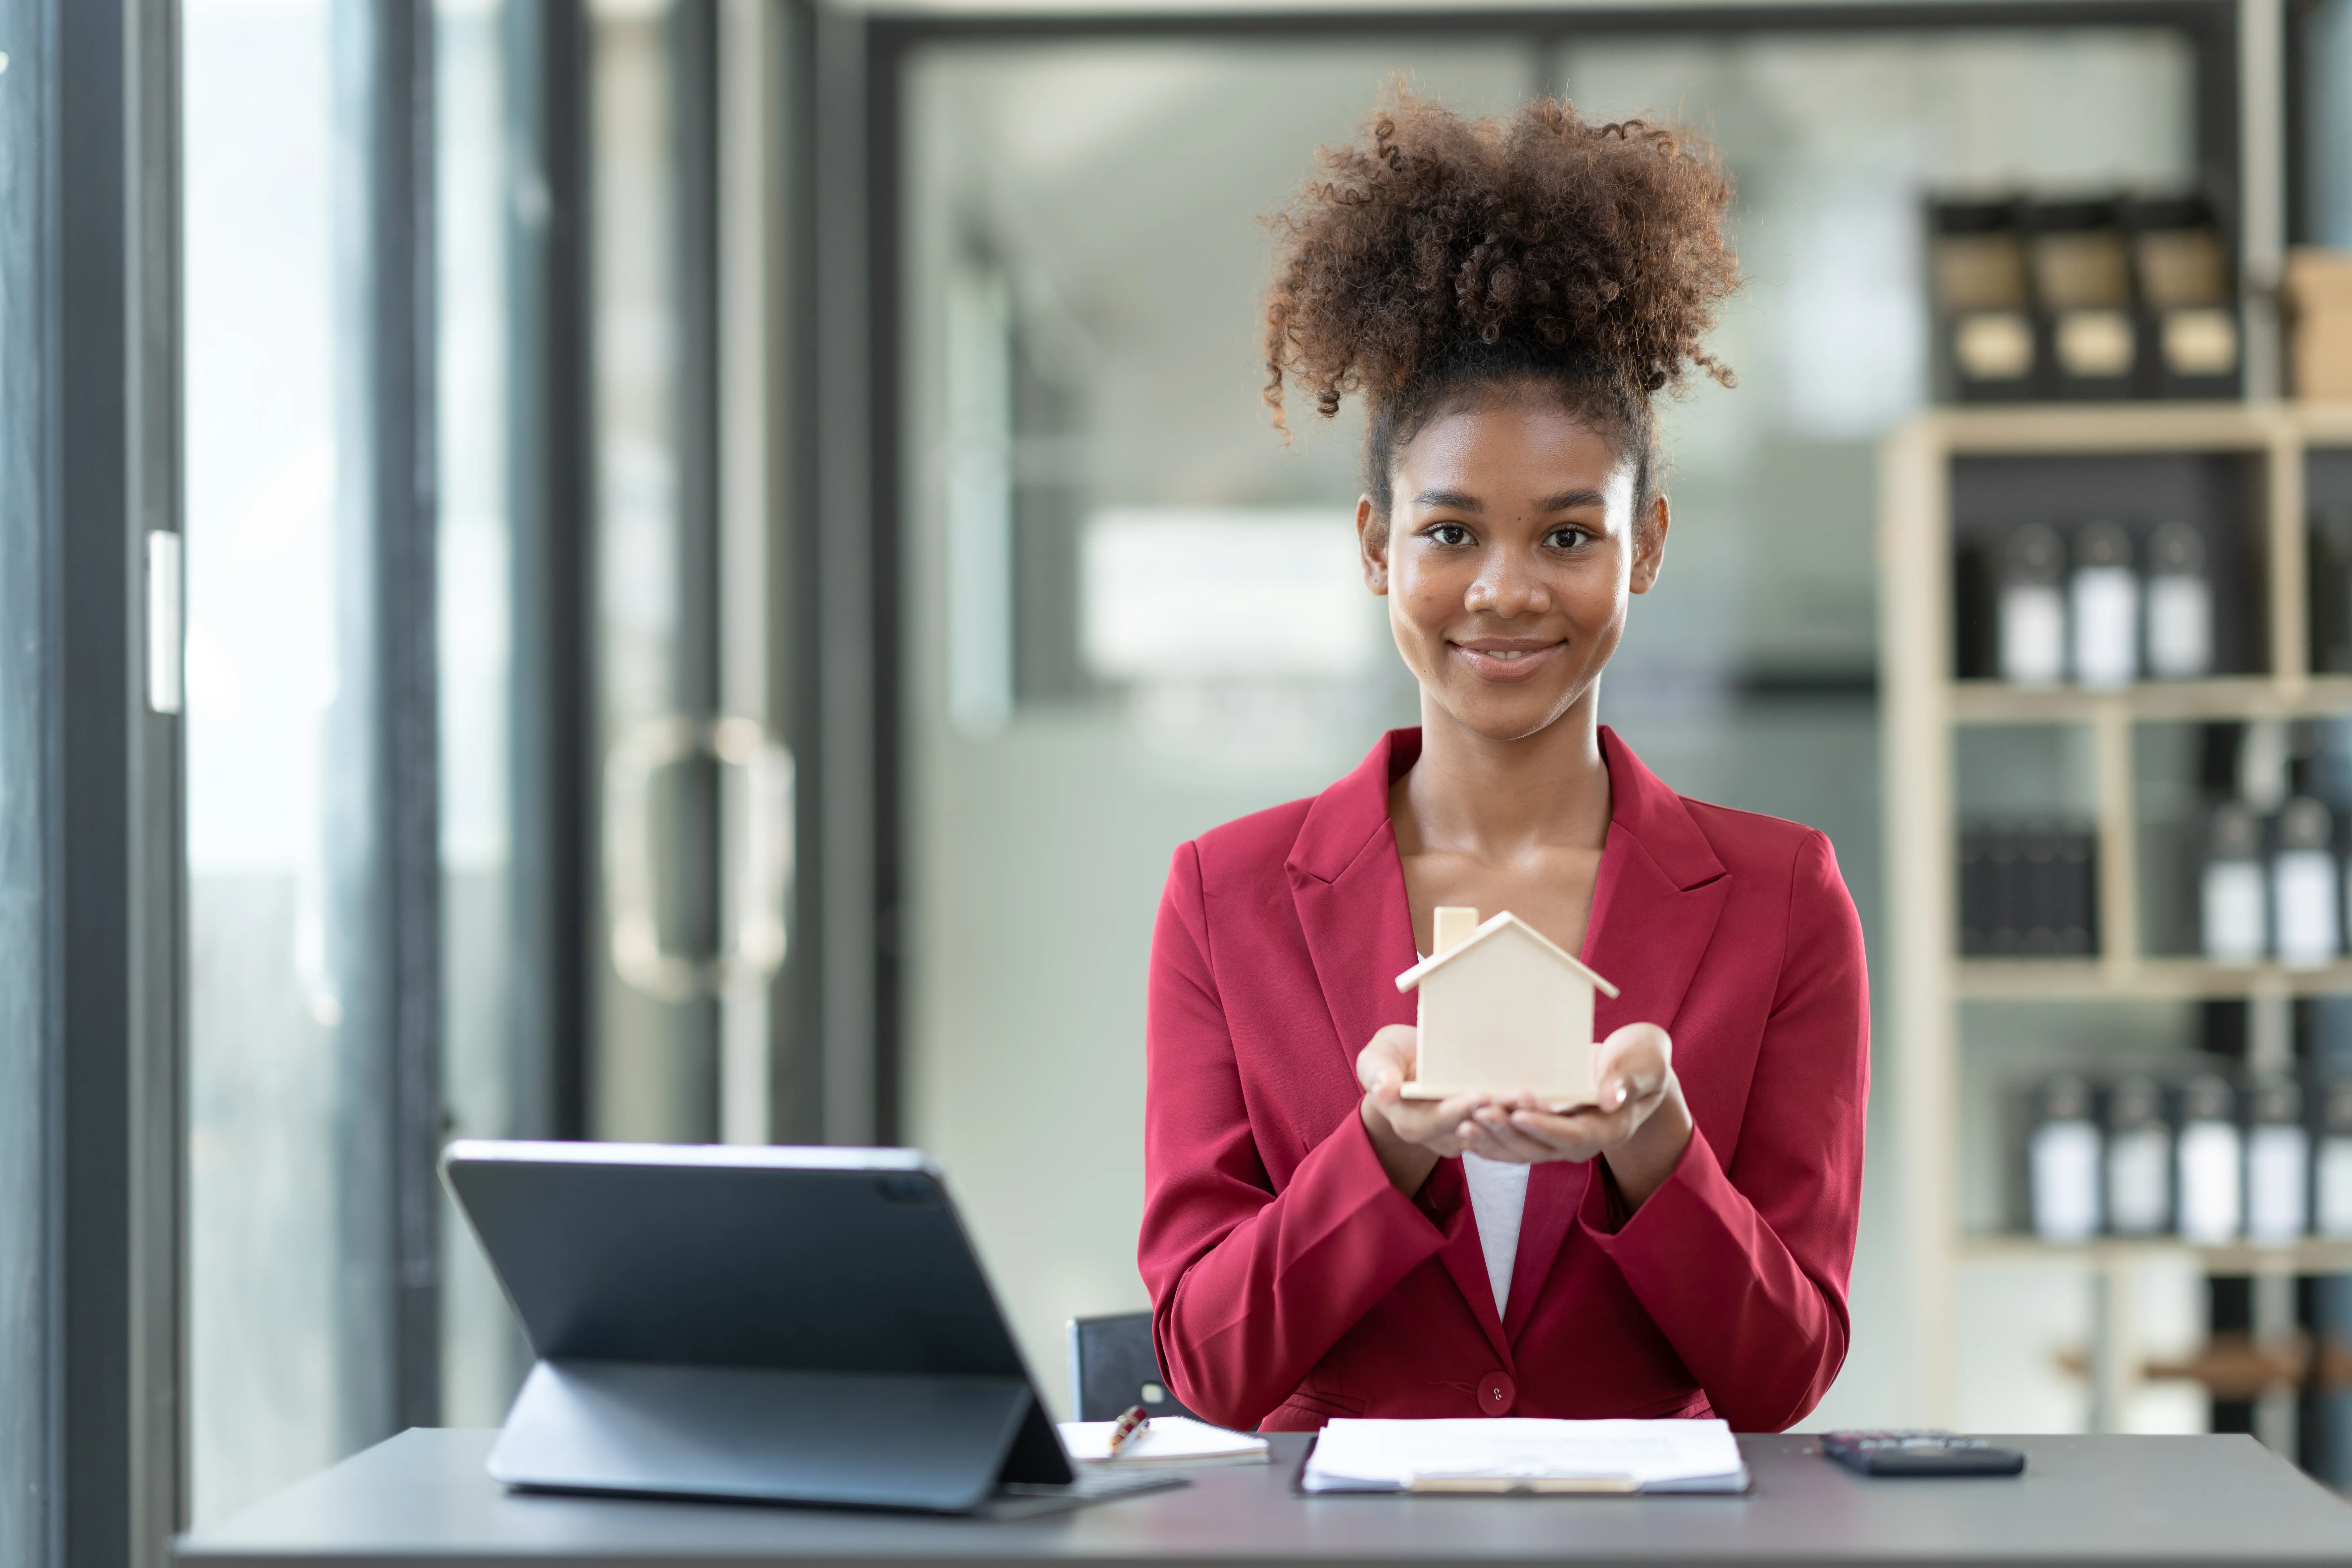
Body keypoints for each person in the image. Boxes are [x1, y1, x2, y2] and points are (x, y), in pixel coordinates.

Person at [1136, 92, 1868, 1433]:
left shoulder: (1785, 897)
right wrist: (1386, 1148)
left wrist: (1657, 1145)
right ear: (1377, 547)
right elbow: (1206, 1362)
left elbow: (1784, 1377)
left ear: (1645, 546)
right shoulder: (1223, 895)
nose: (1506, 592)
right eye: (1454, 533)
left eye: (1570, 538)